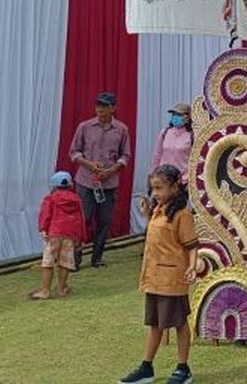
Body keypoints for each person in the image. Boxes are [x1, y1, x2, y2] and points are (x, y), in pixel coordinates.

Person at [120, 164, 201, 384]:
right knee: (154, 323)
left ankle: (183, 368)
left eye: (159, 188)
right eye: (153, 188)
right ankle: (147, 367)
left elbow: (192, 245)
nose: (155, 193)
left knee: (179, 323)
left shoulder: (182, 214)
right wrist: (147, 214)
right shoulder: (158, 209)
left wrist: (192, 266)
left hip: (172, 278)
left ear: (175, 187)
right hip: (153, 278)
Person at [69, 91, 131, 268]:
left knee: (104, 221)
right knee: (83, 220)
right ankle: (75, 258)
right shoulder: (85, 127)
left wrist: (112, 170)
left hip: (109, 183)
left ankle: (97, 257)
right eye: (98, 106)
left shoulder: (121, 129)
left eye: (104, 106)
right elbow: (73, 152)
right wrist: (88, 164)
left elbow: (125, 156)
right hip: (86, 182)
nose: (100, 110)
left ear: (113, 108)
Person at [30, 171, 85, 301]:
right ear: (70, 185)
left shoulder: (50, 199)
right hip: (69, 234)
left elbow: (45, 215)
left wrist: (43, 229)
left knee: (48, 262)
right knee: (65, 262)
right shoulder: (76, 200)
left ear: (54, 186)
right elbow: (81, 219)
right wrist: (82, 237)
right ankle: (61, 289)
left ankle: (45, 291)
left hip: (54, 232)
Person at [150, 103, 194, 182]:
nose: (175, 116)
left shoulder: (192, 135)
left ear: (187, 117)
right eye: (173, 114)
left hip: (182, 180)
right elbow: (157, 154)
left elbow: (195, 159)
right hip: (163, 178)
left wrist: (189, 179)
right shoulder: (165, 132)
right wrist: (152, 173)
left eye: (179, 114)